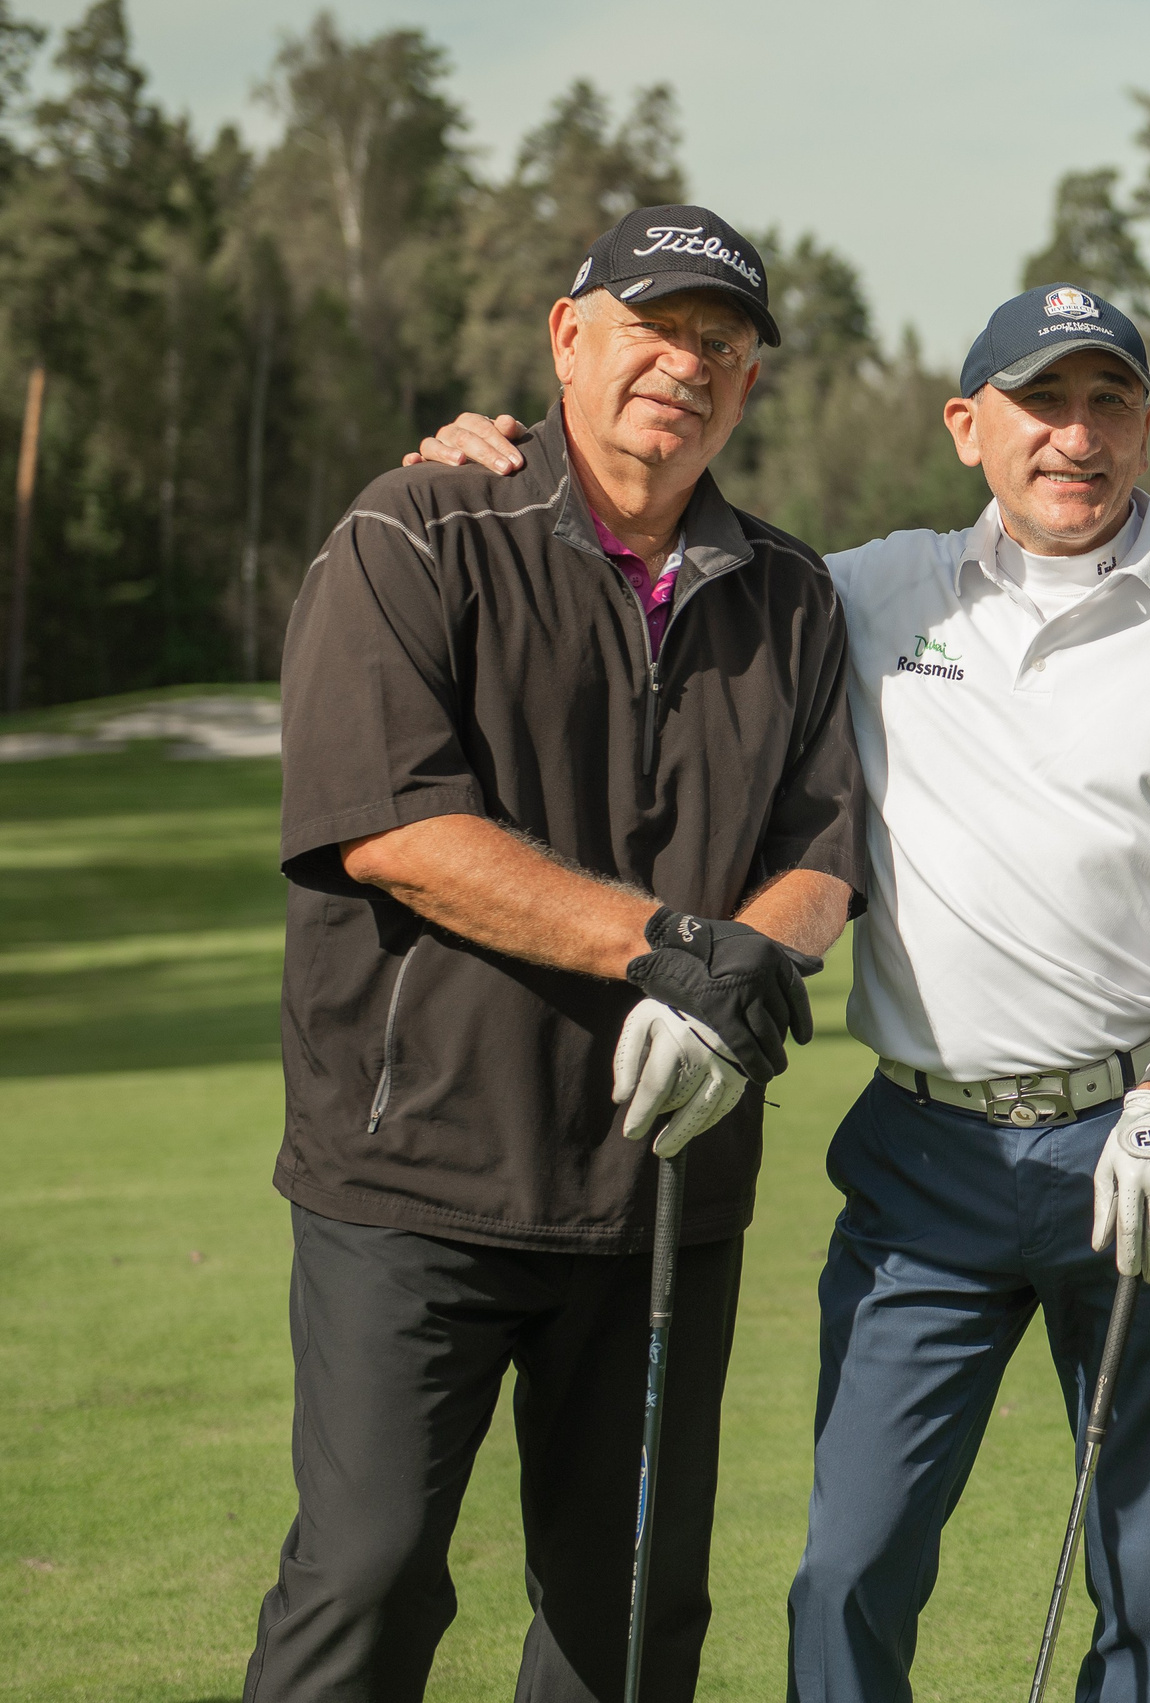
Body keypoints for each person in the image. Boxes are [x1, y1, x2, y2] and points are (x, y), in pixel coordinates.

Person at [413, 283, 1150, 1703]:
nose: (1075, 438)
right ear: (969, 427)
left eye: (1109, 403)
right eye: (1042, 404)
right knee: (848, 1570)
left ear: (1147, 424)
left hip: (1146, 1140)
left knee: (1148, 1586)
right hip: (926, 1159)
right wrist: (507, 458)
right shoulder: (858, 590)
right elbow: (653, 542)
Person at [250, 205, 862, 1703]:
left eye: (721, 346)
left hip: (665, 1184)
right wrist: (671, 949)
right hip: (419, 1181)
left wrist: (738, 982)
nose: (686, 366)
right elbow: (394, 827)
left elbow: (827, 854)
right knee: (370, 1581)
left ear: (750, 388)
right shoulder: (416, 528)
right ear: (567, 338)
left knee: (635, 1620)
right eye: (654, 329)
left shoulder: (789, 592)